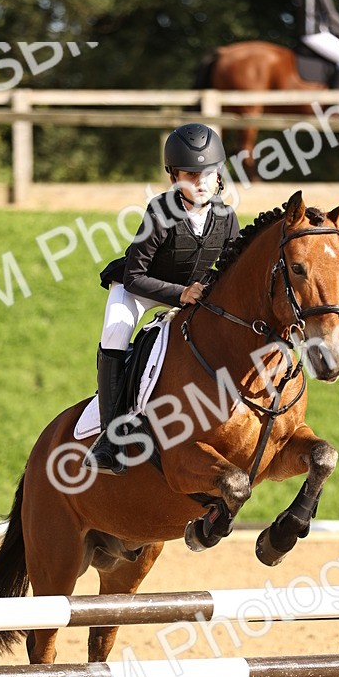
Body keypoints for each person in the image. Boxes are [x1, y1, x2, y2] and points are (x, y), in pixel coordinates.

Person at [85, 122, 240, 475]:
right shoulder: (160, 213)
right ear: (174, 178)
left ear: (219, 174)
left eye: (208, 173)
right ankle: (109, 440)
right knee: (115, 331)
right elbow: (134, 276)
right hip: (141, 289)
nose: (201, 182)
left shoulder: (226, 217)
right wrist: (180, 293)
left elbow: (231, 267)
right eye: (191, 174)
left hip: (192, 292)